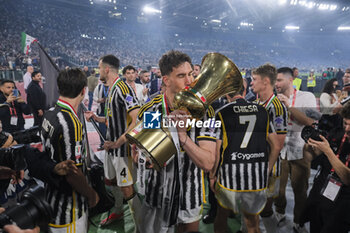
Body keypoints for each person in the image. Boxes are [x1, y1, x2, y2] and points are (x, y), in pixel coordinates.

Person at [135, 50, 217, 233]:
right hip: (157, 195)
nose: (189, 81)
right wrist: (146, 157)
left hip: (190, 196)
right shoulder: (151, 109)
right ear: (166, 80)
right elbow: (144, 154)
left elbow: (208, 163)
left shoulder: (206, 112)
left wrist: (182, 137)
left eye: (191, 74)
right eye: (181, 76)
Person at [211, 80, 280, 233]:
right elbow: (276, 145)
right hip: (255, 175)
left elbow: (217, 149)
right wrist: (267, 169)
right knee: (252, 222)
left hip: (229, 174)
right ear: (244, 92)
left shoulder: (221, 113)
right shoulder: (262, 111)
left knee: (221, 216)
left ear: (226, 95)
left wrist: (212, 175)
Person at [86, 55, 141, 230]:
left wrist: (118, 143)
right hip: (112, 148)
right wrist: (97, 118)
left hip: (122, 150)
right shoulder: (111, 89)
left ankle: (141, 224)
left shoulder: (123, 88)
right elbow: (112, 120)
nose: (98, 71)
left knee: (126, 188)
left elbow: (137, 120)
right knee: (112, 181)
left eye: (99, 68)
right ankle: (118, 211)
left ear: (107, 69)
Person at [41, 68, 99, 233]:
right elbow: (72, 173)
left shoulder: (49, 113)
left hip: (50, 198)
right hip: (68, 208)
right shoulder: (70, 123)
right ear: (83, 91)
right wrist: (91, 194)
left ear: (59, 89)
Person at [274, 67, 317, 233]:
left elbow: (310, 122)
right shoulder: (274, 99)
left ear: (290, 80)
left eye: (279, 80)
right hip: (280, 151)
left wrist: (289, 106)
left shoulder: (307, 97)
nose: (276, 84)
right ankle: (279, 213)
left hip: (300, 152)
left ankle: (298, 222)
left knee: (300, 191)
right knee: (278, 189)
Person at [301, 102, 350, 233]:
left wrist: (328, 151)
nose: (347, 129)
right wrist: (309, 145)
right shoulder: (338, 132)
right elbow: (309, 158)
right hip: (320, 194)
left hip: (342, 204)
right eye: (346, 123)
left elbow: (347, 178)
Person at [250, 64, 288, 232]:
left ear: (265, 82)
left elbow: (278, 144)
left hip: (267, 168)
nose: (251, 83)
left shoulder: (277, 107)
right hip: (255, 163)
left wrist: (267, 169)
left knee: (265, 209)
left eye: (254, 80)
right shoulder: (258, 103)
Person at [93, 80, 108, 150]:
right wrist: (99, 100)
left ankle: (110, 143)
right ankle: (102, 143)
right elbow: (94, 97)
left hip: (110, 112)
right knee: (102, 129)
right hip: (101, 111)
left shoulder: (113, 86)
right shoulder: (98, 87)